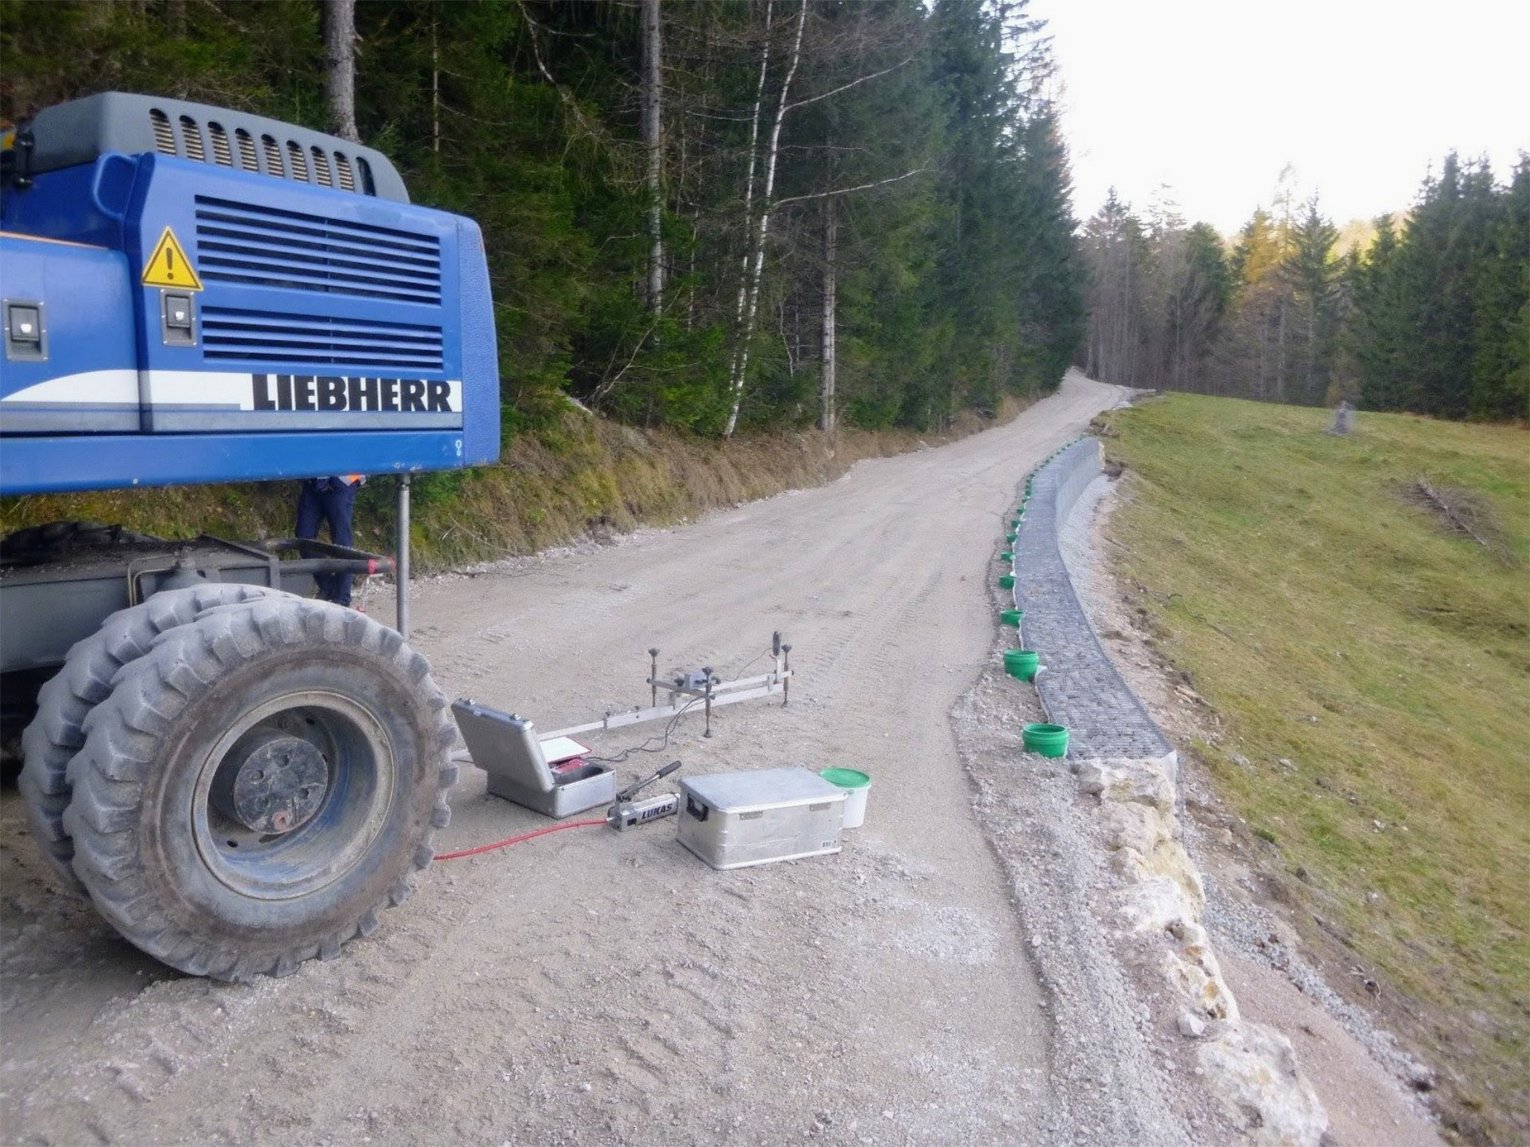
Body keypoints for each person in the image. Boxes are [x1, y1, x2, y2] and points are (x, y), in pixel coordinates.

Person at [296, 474, 365, 606]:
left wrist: (347, 480)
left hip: (341, 483)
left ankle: (342, 597)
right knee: (303, 537)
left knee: (342, 541)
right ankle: (328, 587)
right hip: (313, 483)